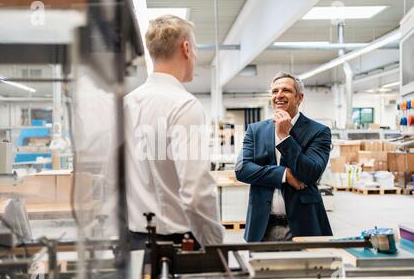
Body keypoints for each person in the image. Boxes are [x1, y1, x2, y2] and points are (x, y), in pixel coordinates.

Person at [124, 15, 224, 250]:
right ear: (186, 48)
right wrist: (214, 246)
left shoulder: (126, 104)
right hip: (178, 246)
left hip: (134, 241)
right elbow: (196, 192)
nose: (196, 56)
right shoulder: (183, 105)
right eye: (196, 48)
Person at [235, 72, 333, 242]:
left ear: (299, 98)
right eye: (274, 91)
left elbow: (311, 173)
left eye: (286, 90)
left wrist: (285, 137)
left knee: (307, 269)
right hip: (262, 226)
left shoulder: (319, 132)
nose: (279, 95)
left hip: (305, 225)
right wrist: (284, 175)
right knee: (261, 268)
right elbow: (242, 169)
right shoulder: (255, 130)